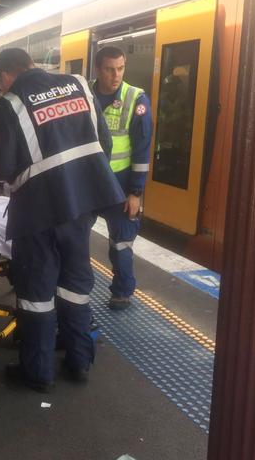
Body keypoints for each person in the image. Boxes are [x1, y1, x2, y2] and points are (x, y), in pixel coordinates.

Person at [0, 48, 125, 389]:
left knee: (36, 292)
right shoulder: (77, 84)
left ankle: (38, 373)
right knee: (75, 285)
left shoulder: (10, 103)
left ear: (6, 74)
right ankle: (79, 361)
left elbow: (4, 168)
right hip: (81, 206)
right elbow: (103, 143)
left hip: (37, 212)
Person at [92, 46, 153, 311]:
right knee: (72, 238)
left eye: (120, 68)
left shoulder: (136, 98)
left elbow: (141, 148)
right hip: (89, 183)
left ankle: (122, 291)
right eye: (109, 69)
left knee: (121, 242)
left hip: (120, 184)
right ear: (97, 69)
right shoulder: (84, 95)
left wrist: (136, 193)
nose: (116, 75)